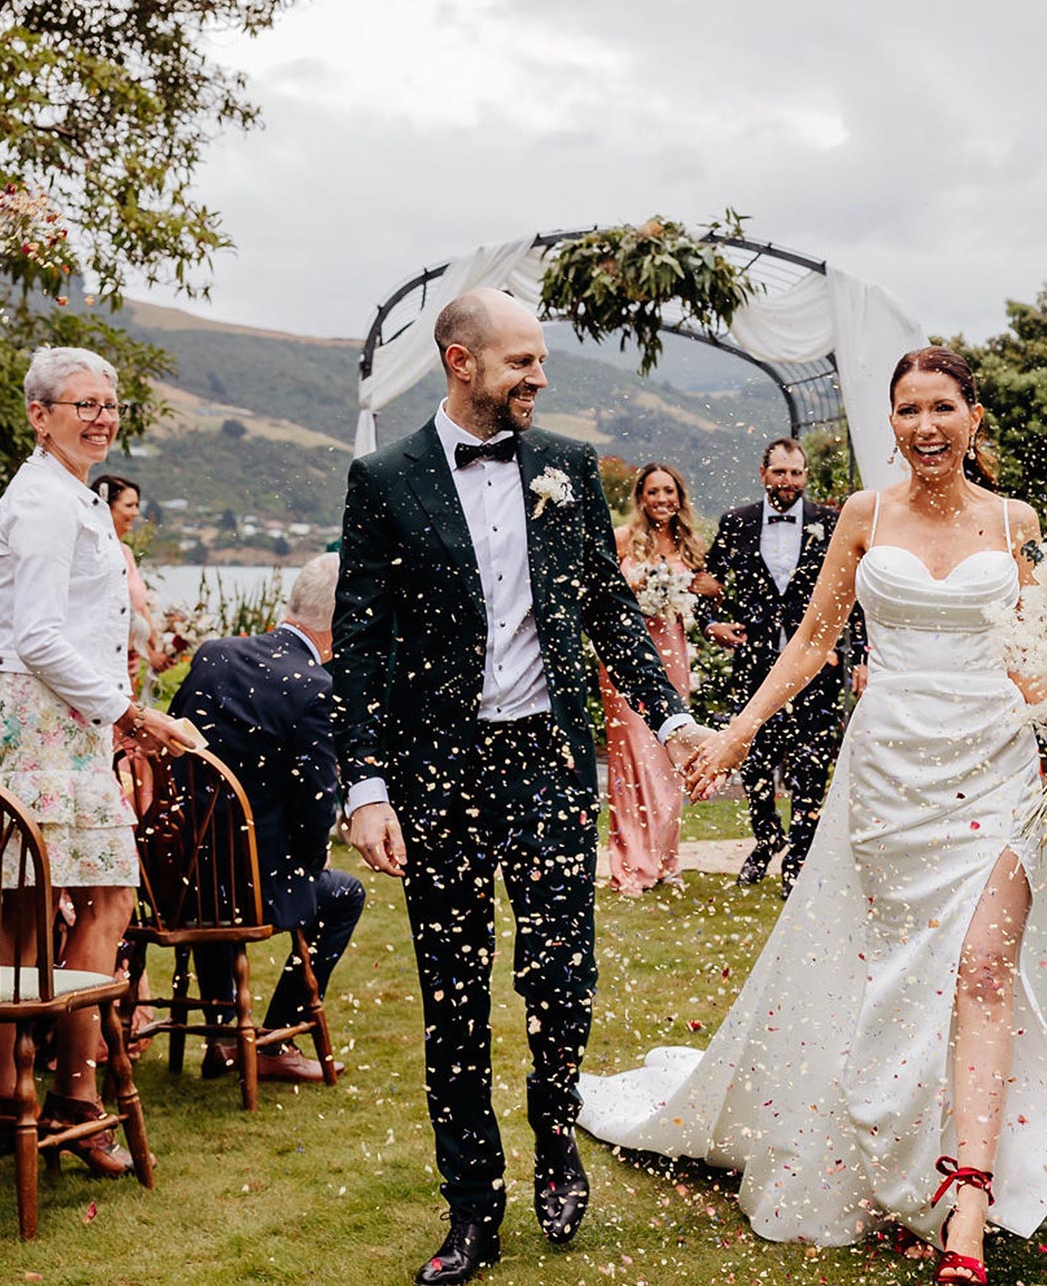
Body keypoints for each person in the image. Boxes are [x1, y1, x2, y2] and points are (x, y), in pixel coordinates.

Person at [582, 346, 1047, 1286]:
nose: (925, 426)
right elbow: (816, 642)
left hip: (997, 768)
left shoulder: (1019, 524)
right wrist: (733, 734)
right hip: (889, 772)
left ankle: (967, 1211)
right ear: (889, 421)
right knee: (889, 971)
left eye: (943, 406)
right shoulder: (863, 513)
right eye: (907, 409)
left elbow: (1044, 656)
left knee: (981, 967)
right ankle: (875, 1138)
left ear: (974, 418)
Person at [331, 288, 705, 1286]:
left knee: (560, 975)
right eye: (521, 363)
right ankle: (471, 1211)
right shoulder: (384, 480)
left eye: (540, 362)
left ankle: (557, 1135)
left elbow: (610, 612)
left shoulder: (565, 468)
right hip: (435, 775)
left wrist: (670, 718)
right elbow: (360, 642)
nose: (539, 378)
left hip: (545, 761)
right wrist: (363, 783)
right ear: (461, 361)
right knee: (451, 1000)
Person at [0, 347, 192, 1176]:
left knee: (56, 906)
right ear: (40, 415)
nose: (102, 417)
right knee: (89, 899)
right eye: (84, 404)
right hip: (43, 725)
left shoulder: (74, 497)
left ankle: (25, 1087)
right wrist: (129, 710)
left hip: (67, 723)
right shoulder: (42, 502)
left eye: (110, 405)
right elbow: (34, 636)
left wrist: (111, 714)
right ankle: (65, 1092)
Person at [171, 552, 361, 1086]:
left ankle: (225, 1030)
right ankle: (274, 1036)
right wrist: (309, 858)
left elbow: (183, 748)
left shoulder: (214, 655)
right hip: (248, 886)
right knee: (344, 894)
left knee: (221, 868)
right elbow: (319, 799)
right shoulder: (312, 685)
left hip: (181, 875)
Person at [698, 436, 866, 895]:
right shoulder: (737, 523)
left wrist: (862, 653)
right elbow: (705, 583)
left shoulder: (832, 523)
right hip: (754, 665)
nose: (788, 481)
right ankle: (766, 836)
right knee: (753, 762)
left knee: (811, 766)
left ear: (806, 477)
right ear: (763, 474)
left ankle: (798, 860)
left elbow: (860, 592)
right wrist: (712, 623)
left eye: (796, 473)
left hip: (818, 665)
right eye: (779, 472)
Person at [601, 462, 710, 895]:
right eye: (653, 492)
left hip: (674, 657)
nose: (662, 499)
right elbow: (601, 595)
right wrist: (637, 593)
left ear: (679, 497)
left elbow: (707, 592)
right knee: (634, 762)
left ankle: (666, 860)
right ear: (640, 498)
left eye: (669, 491)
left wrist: (705, 592)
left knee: (669, 759)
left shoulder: (690, 544)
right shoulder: (624, 539)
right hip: (628, 660)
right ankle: (631, 865)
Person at [91, 473, 168, 700]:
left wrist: (158, 650)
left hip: (131, 661)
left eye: (137, 505)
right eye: (129, 505)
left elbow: (140, 607)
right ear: (106, 507)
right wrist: (148, 653)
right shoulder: (94, 552)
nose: (135, 513)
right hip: (105, 662)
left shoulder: (125, 552)